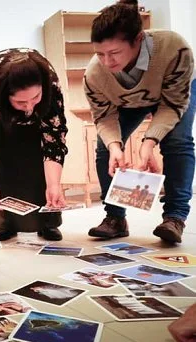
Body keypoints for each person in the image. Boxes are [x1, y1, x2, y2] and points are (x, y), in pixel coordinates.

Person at [84, 0, 195, 243]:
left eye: (114, 53)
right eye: (99, 54)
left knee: (178, 141)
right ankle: (114, 218)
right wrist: (115, 146)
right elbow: (104, 117)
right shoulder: (94, 74)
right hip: (127, 101)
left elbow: (172, 105)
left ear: (138, 39)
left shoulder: (175, 49)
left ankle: (174, 217)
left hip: (171, 95)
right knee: (106, 147)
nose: (107, 62)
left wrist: (148, 142)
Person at [0, 48, 69, 242]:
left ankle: (49, 222)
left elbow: (55, 137)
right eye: (21, 102)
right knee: (2, 162)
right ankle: (6, 223)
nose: (29, 107)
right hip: (2, 125)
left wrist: (54, 184)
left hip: (40, 126)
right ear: (5, 96)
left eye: (35, 98)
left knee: (40, 169)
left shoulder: (50, 82)